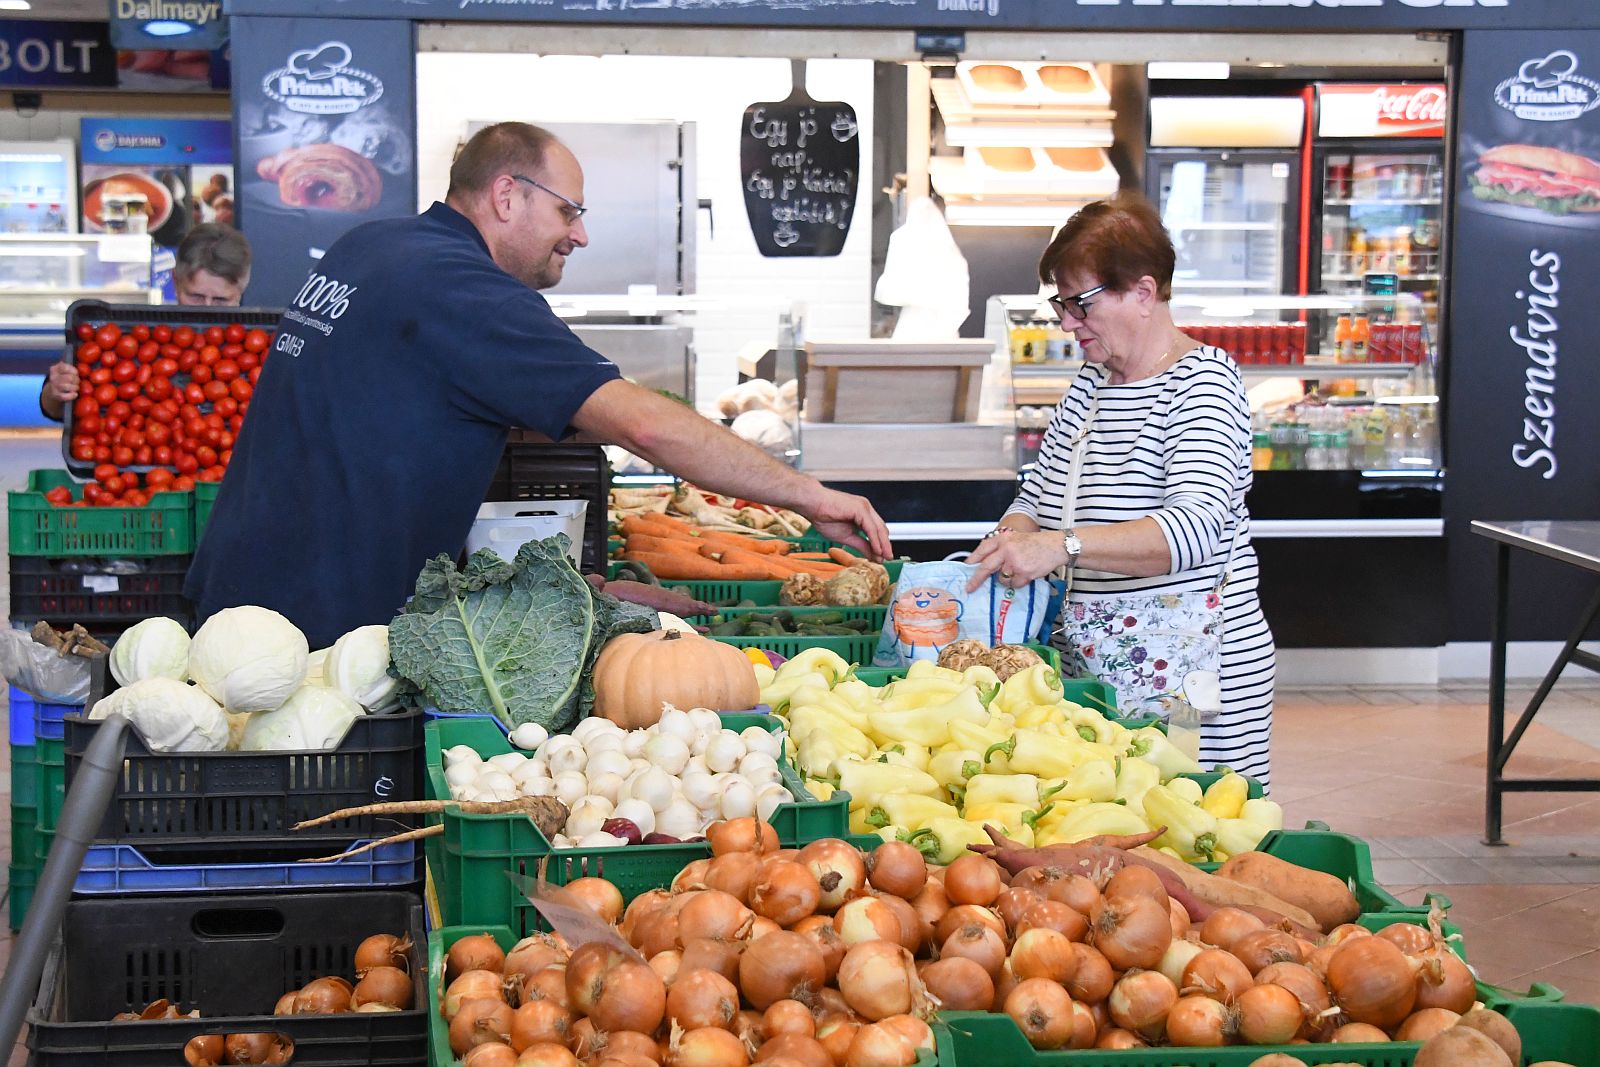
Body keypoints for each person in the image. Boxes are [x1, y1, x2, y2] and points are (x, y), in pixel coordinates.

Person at [186, 122, 892, 649]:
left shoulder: (371, 245)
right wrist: (810, 495)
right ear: (504, 195)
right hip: (310, 633)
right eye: (569, 211)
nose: (579, 235)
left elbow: (390, 432)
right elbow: (642, 425)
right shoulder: (466, 291)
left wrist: (579, 590)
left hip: (242, 595)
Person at [966, 195, 1276, 786]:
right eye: (1060, 303)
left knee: (1191, 825)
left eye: (1080, 303)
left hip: (1193, 675)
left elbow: (1193, 530)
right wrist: (1007, 541)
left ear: (1142, 292)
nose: (1065, 322)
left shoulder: (1204, 384)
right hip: (1096, 665)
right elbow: (1038, 496)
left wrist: (1062, 547)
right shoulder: (1092, 382)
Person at [39, 223, 252, 421]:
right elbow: (54, 409)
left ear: (241, 292)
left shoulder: (260, 347)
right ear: (175, 282)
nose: (207, 309)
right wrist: (56, 390)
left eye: (221, 300)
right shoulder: (133, 337)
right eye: (195, 296)